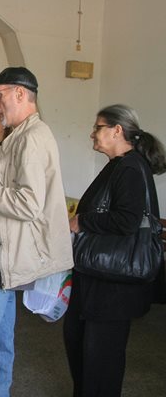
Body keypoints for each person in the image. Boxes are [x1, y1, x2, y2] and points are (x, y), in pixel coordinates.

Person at [0, 67, 74, 397]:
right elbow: (15, 184)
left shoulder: (31, 139)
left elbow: (27, 203)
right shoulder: (24, 134)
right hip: (2, 259)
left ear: (21, 94)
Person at [64, 104, 166, 397]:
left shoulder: (131, 167)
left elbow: (127, 220)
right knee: (83, 349)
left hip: (113, 285)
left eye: (98, 127)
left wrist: (81, 221)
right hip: (100, 278)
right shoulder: (121, 165)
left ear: (117, 130)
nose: (92, 134)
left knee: (101, 360)